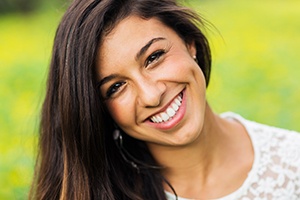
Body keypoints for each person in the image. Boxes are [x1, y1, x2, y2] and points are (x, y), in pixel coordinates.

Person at [30, 0, 300, 199]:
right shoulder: (96, 192)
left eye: (154, 57)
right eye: (116, 87)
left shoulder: (293, 161)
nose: (151, 95)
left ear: (189, 42)